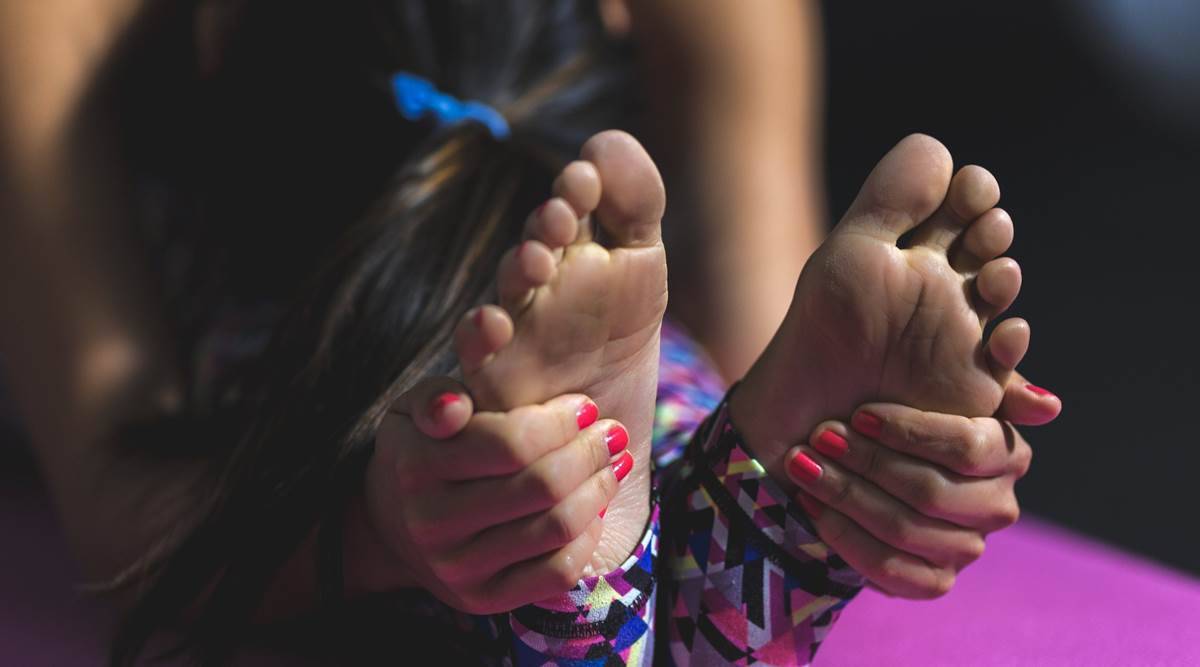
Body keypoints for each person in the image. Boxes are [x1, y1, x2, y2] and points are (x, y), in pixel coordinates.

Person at [0, 1, 1060, 664]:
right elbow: (112, 489)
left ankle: (591, 545)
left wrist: (862, 465)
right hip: (314, 374)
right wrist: (379, 528)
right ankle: (679, 532)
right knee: (595, 439)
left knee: (510, 451)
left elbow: (121, 490)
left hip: (293, 390)